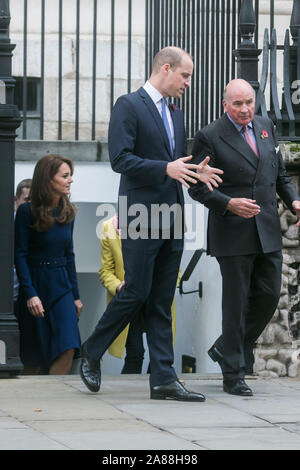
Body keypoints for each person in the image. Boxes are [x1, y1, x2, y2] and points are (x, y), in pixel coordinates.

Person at [80, 46, 223, 401]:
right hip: (139, 215)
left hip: (172, 213)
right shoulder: (128, 105)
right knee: (136, 291)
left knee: (162, 298)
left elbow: (174, 163)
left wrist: (193, 171)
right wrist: (166, 167)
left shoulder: (175, 114)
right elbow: (120, 158)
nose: (188, 83)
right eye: (185, 75)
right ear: (165, 68)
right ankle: (92, 350)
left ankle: (163, 378)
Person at [188, 78, 300, 396]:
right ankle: (233, 373)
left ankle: (227, 347)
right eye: (237, 104)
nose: (245, 109)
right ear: (225, 105)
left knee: (266, 298)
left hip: (266, 229)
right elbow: (196, 186)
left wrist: (293, 199)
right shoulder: (209, 136)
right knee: (235, 304)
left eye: (249, 102)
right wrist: (228, 203)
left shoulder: (265, 126)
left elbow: (278, 175)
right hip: (231, 231)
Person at [15, 154, 82, 375]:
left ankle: (55, 396)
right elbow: (20, 255)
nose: (70, 180)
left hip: (62, 284)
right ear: (48, 179)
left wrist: (76, 295)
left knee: (68, 345)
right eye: (65, 176)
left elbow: (69, 255)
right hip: (36, 282)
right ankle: (33, 401)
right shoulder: (27, 211)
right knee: (33, 355)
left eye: (70, 175)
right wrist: (30, 293)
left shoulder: (68, 211)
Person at [99, 214, 178, 374]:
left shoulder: (158, 224)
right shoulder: (108, 227)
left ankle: (159, 383)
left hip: (155, 297)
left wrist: (163, 287)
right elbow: (105, 270)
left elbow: (174, 267)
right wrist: (118, 286)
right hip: (130, 297)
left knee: (160, 352)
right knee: (135, 352)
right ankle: (128, 393)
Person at [13, 179, 32, 317]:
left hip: (29, 298)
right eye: (26, 200)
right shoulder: (7, 227)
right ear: (15, 200)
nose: (30, 206)